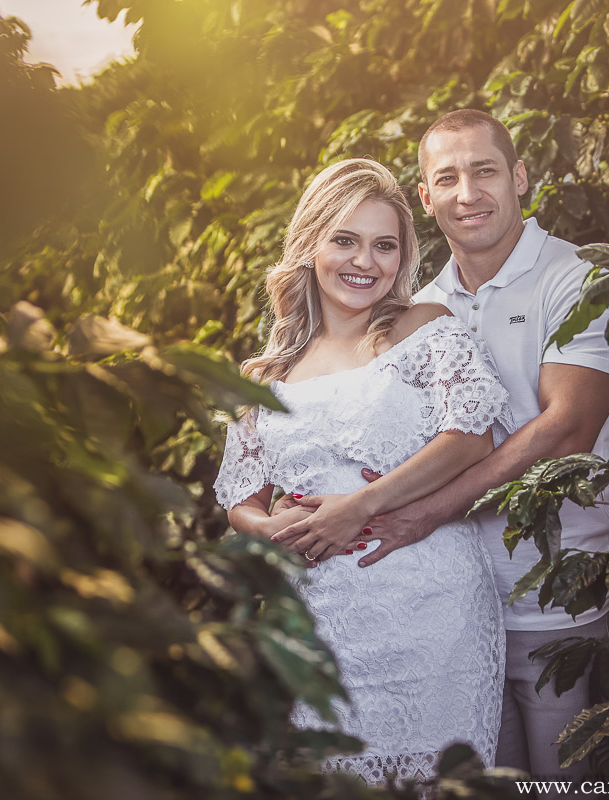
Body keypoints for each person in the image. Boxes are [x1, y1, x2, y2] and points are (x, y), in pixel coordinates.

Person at [278, 110, 609, 782]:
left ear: (519, 176)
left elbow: (566, 430)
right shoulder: (419, 308)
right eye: (447, 178)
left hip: (555, 595)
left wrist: (417, 513)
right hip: (448, 608)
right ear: (425, 196)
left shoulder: (580, 277)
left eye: (484, 171)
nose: (467, 193)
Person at [212, 158, 514, 784]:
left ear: (402, 257)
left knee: (441, 781)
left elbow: (470, 438)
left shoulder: (423, 328)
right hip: (318, 615)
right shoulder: (267, 374)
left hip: (430, 607)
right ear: (310, 245)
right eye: (345, 240)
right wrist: (269, 531)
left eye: (384, 245)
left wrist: (362, 504)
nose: (365, 262)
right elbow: (242, 497)